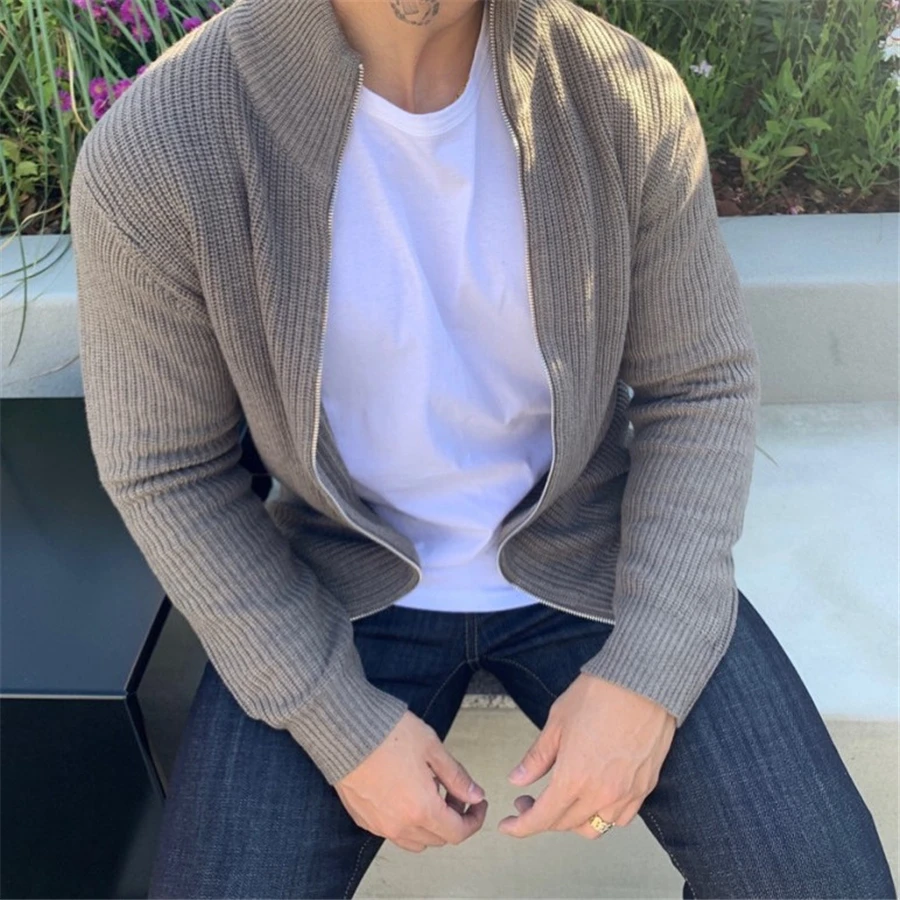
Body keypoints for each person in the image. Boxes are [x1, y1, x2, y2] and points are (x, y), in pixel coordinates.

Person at [69, 0, 896, 897]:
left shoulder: (623, 94)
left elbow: (698, 385)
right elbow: (169, 470)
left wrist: (649, 676)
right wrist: (336, 722)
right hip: (334, 581)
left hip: (591, 552)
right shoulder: (164, 144)